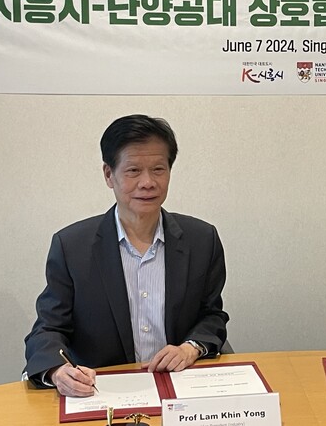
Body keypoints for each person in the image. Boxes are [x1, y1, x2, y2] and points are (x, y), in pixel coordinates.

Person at [24, 114, 229, 396]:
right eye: (133, 171)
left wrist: (190, 348)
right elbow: (47, 329)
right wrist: (58, 372)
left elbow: (212, 316)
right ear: (109, 175)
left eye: (158, 169)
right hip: (102, 392)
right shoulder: (72, 247)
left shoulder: (202, 240)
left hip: (179, 388)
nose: (148, 182)